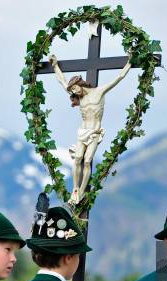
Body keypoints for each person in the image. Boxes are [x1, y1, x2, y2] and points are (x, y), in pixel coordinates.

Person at [49, 53, 131, 204]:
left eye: (75, 88)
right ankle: (75, 189)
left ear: (80, 83)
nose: (74, 92)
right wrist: (55, 66)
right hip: (82, 131)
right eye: (72, 91)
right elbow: (62, 81)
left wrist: (129, 63)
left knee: (87, 161)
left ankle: (81, 191)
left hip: (94, 132)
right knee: (77, 158)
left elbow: (118, 78)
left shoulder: (98, 92)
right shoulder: (79, 97)